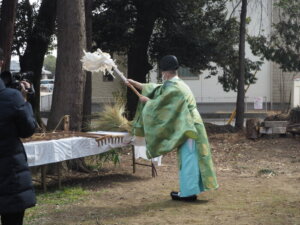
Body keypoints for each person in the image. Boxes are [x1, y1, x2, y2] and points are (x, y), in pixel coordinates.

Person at [127, 55, 218, 201]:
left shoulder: (174, 88)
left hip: (189, 125)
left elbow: (161, 105)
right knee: (190, 157)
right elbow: (157, 89)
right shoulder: (178, 84)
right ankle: (189, 191)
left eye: (162, 72)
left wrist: (147, 102)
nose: (162, 75)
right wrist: (134, 83)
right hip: (188, 124)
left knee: (189, 158)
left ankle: (188, 194)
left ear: (166, 73)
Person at [0, 48, 37, 225]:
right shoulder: (11, 97)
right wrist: (24, 99)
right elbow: (28, 129)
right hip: (10, 176)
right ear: (1, 64)